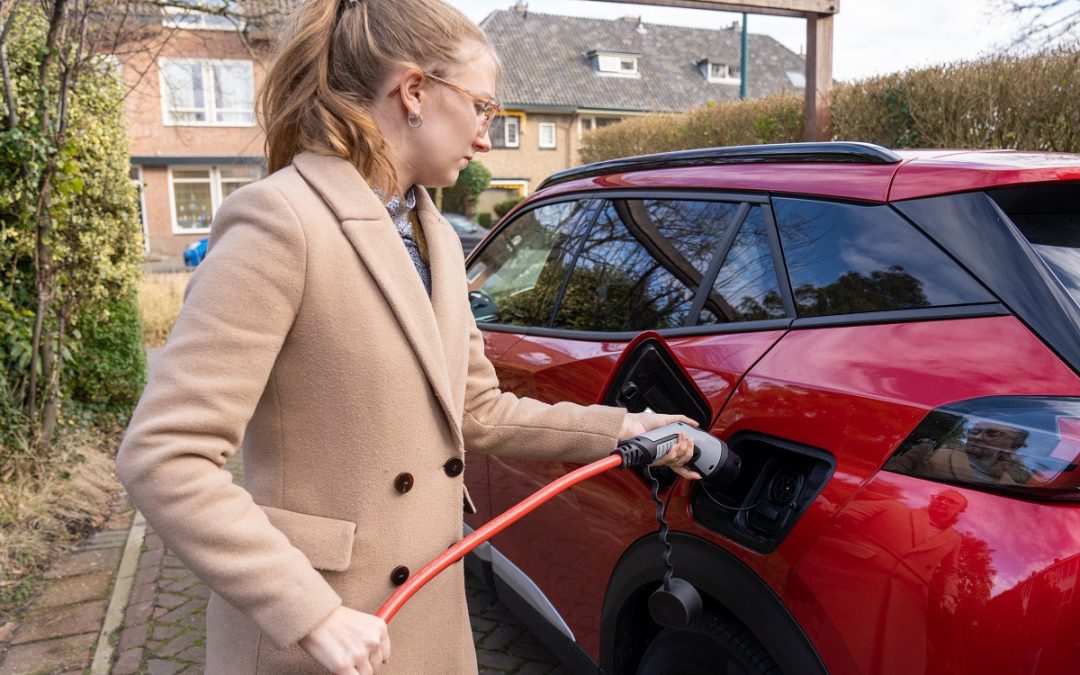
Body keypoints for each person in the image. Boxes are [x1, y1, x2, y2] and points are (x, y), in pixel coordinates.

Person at [114, 1, 700, 673]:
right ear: (414, 90)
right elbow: (165, 454)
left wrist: (629, 428)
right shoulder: (282, 220)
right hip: (322, 636)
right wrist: (311, 612)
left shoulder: (437, 238)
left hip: (425, 615)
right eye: (482, 107)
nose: (486, 137)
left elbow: (476, 410)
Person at [887, 421, 1032, 487]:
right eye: (974, 431)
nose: (977, 437)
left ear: (1014, 446)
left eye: (992, 434)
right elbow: (887, 483)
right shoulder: (930, 451)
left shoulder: (1010, 486)